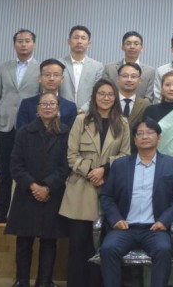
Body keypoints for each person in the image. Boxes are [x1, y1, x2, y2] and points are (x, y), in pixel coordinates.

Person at [99, 119, 173, 287]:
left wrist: (164, 220)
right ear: (134, 140)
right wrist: (116, 219)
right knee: (108, 249)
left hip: (155, 228)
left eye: (150, 133)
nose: (145, 137)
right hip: (125, 228)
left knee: (163, 250)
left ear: (158, 137)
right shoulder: (120, 165)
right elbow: (106, 196)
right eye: (140, 134)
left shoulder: (171, 164)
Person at [61, 79, 131, 287]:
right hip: (80, 191)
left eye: (110, 94)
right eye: (101, 94)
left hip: (109, 190)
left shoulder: (122, 123)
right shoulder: (81, 120)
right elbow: (71, 155)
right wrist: (91, 171)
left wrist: (104, 170)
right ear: (94, 96)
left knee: (101, 248)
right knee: (78, 246)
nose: (106, 98)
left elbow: (126, 155)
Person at [5, 92, 70, 287]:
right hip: (27, 194)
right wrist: (33, 186)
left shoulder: (65, 132)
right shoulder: (24, 132)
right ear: (37, 108)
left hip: (53, 193)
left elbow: (66, 166)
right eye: (44, 104)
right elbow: (15, 165)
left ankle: (44, 281)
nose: (48, 107)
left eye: (52, 104)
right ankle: (22, 281)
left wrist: (48, 186)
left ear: (58, 108)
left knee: (49, 241)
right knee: (24, 241)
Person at [0, 28, 41, 225]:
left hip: (29, 127)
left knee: (28, 171)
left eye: (27, 41)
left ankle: (24, 214)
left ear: (34, 44)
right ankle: (0, 212)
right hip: (5, 127)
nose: (23, 44)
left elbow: (43, 98)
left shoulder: (40, 68)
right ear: (14, 44)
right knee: (5, 171)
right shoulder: (5, 67)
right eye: (20, 41)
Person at [16, 58, 78, 129]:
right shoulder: (27, 104)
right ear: (40, 78)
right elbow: (21, 132)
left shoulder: (70, 107)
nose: (51, 78)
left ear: (62, 79)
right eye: (47, 75)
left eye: (56, 75)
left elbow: (71, 134)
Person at [102, 31, 156, 101]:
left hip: (141, 107)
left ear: (141, 48)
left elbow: (149, 97)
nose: (132, 47)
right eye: (128, 43)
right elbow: (104, 92)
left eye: (136, 44)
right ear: (122, 47)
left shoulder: (150, 71)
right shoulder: (109, 69)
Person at [60, 25, 104, 108]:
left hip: (87, 112)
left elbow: (98, 92)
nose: (79, 41)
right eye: (76, 38)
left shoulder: (97, 67)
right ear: (69, 41)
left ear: (89, 43)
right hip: (62, 111)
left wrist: (83, 109)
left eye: (83, 38)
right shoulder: (59, 64)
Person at [115, 63, 150, 132]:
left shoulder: (145, 105)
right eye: (125, 76)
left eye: (133, 77)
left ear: (140, 80)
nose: (129, 80)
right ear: (118, 79)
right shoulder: (110, 101)